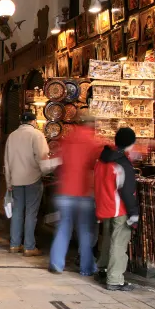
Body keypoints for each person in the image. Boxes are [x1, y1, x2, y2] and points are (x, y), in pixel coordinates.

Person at [49, 115, 105, 275]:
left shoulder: (66, 139)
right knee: (85, 231)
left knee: (63, 227)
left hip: (64, 191)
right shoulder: (93, 141)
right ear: (92, 125)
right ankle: (87, 267)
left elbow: (57, 161)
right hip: (83, 192)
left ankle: (56, 263)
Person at [94, 128, 139, 291]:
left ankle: (103, 269)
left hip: (104, 205)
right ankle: (114, 279)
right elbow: (126, 190)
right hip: (118, 207)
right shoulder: (122, 163)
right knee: (119, 242)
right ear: (130, 143)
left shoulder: (102, 159)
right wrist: (133, 213)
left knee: (107, 239)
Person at [4, 112, 51, 256]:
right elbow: (42, 156)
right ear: (34, 121)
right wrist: (46, 171)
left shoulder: (11, 136)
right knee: (31, 213)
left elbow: (6, 160)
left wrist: (8, 181)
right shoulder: (36, 135)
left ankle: (14, 244)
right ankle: (29, 246)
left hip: (15, 180)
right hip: (32, 179)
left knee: (17, 212)